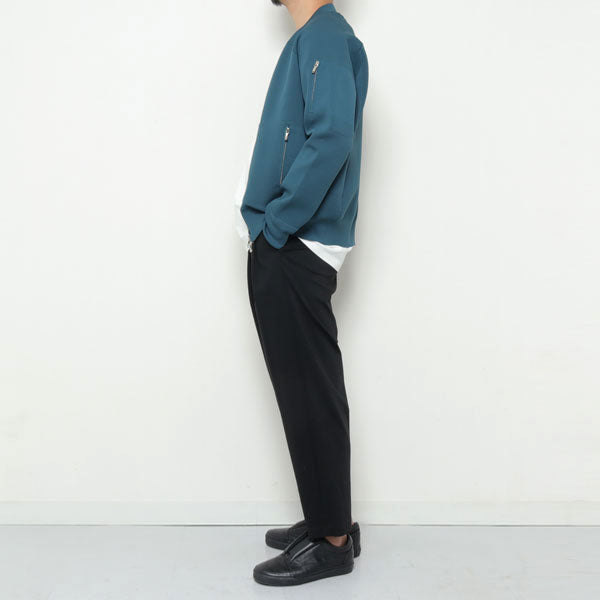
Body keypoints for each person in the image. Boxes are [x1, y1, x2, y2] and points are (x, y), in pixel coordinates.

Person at [236, 0, 369, 586]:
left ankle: (332, 542)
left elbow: (332, 134)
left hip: (296, 244)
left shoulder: (324, 35)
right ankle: (327, 519)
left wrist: (279, 223)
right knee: (308, 390)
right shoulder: (318, 37)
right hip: (294, 242)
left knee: (309, 393)